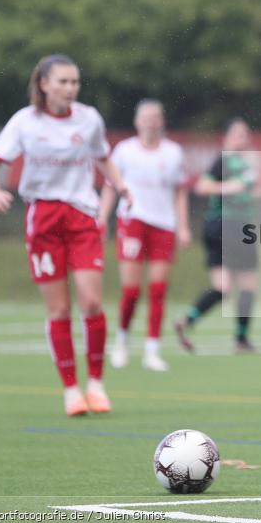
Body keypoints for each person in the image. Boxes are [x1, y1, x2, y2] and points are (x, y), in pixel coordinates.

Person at [0, 54, 131, 416]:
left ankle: (96, 382)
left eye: (75, 82)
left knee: (91, 301)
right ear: (44, 84)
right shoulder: (25, 122)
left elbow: (102, 156)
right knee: (59, 307)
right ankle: (70, 390)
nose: (70, 88)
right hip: (44, 219)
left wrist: (121, 185)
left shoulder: (89, 118)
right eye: (62, 81)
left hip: (81, 216)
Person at [98, 99, 191, 372]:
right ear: (137, 121)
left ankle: (152, 350)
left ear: (161, 121)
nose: (151, 122)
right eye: (146, 117)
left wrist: (183, 226)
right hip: (133, 221)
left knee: (158, 290)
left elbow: (180, 192)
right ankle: (122, 341)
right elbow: (110, 186)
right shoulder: (124, 151)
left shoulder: (173, 153)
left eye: (156, 117)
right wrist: (102, 217)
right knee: (132, 290)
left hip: (164, 224)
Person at [174, 118, 259, 353]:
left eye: (246, 134)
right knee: (237, 285)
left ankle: (189, 321)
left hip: (241, 225)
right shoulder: (224, 161)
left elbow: (243, 194)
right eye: (238, 134)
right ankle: (239, 339)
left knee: (235, 287)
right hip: (225, 225)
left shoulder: (247, 164)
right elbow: (202, 186)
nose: (244, 138)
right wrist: (229, 187)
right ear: (228, 138)